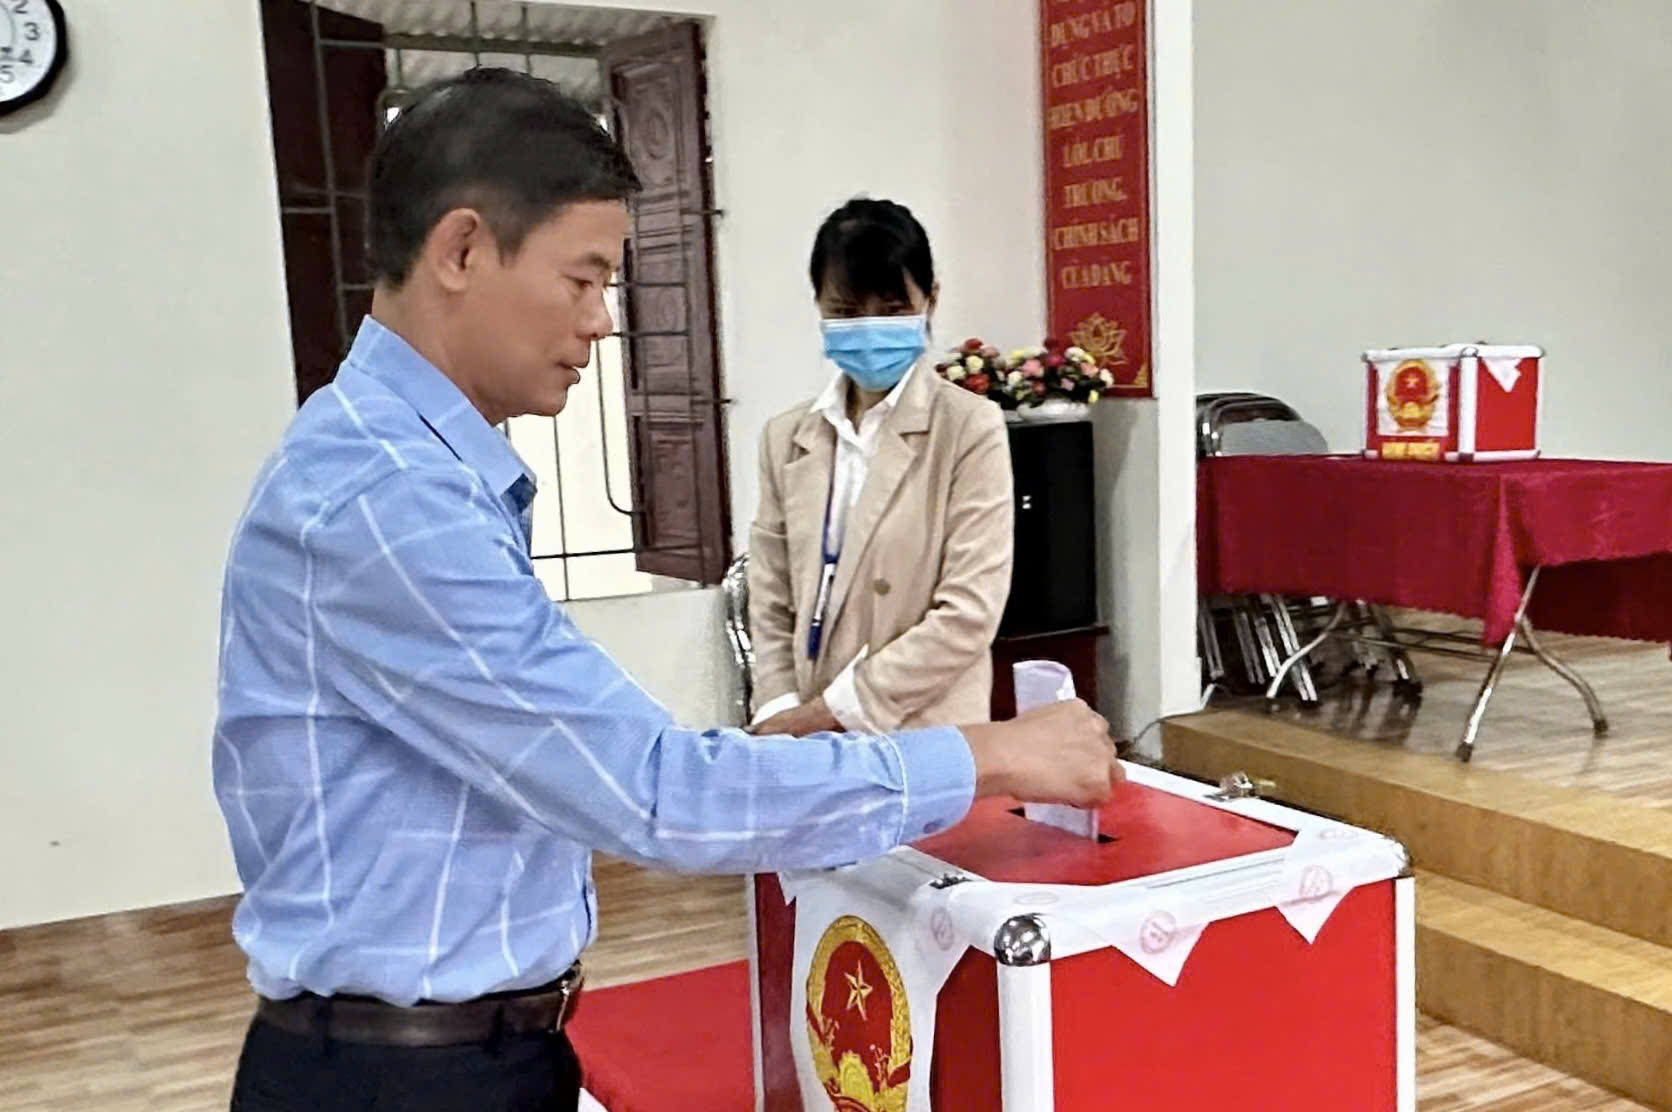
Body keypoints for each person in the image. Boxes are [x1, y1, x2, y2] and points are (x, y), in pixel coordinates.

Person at [213, 69, 1120, 1112]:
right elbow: (658, 786)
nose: (603, 321)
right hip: (407, 1075)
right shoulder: (389, 497)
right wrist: (986, 751)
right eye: (583, 278)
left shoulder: (412, 468)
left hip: (467, 1040)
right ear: (461, 250)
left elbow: (967, 605)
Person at [747, 198, 1012, 738]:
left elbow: (968, 615)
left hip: (924, 732)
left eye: (891, 310)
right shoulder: (785, 438)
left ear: (930, 300)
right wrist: (780, 711)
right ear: (818, 306)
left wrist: (826, 715)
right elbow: (770, 597)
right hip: (806, 737)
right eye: (846, 312)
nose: (869, 329)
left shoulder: (969, 428)